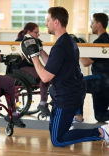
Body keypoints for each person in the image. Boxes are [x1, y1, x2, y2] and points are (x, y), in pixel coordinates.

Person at [20, 6, 109, 147]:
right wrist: (40, 49)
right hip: (70, 92)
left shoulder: (60, 46)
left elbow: (45, 77)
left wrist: (33, 56)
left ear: (56, 22)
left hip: (67, 96)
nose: (45, 24)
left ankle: (101, 132)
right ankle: (68, 126)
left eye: (47, 20)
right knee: (53, 130)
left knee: (58, 139)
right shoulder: (67, 41)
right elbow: (52, 65)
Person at [8, 22, 50, 116]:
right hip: (19, 69)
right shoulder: (20, 42)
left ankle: (44, 102)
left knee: (47, 75)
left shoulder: (35, 42)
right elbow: (17, 59)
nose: (38, 35)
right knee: (43, 75)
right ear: (29, 32)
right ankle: (43, 103)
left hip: (29, 68)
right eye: (36, 32)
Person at [75, 13, 109, 123]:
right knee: (100, 117)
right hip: (105, 83)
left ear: (99, 24)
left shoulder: (100, 42)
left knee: (76, 84)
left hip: (101, 80)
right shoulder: (106, 39)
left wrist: (75, 47)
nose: (91, 26)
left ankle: (78, 117)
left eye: (92, 23)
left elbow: (85, 62)